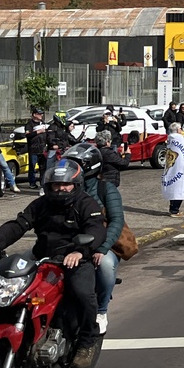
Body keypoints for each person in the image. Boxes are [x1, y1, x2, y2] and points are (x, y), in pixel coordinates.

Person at [0, 159, 106, 368]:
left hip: (75, 258)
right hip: (43, 259)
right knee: (17, 289)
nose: (61, 188)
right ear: (49, 185)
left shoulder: (86, 204)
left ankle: (87, 340)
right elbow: (19, 225)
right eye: (56, 184)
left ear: (76, 185)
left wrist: (80, 252)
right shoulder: (41, 204)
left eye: (66, 184)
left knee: (83, 293)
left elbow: (96, 229)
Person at [61, 143, 125, 337]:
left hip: (101, 243)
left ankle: (101, 310)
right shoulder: (65, 188)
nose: (69, 169)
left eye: (75, 164)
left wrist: (102, 248)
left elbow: (116, 221)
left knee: (105, 265)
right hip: (71, 243)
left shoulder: (106, 189)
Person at [162, 122, 184, 217]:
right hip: (181, 167)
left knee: (174, 188)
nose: (181, 130)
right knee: (180, 188)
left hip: (173, 168)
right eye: (180, 128)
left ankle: (173, 208)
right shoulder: (179, 138)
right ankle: (175, 210)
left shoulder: (170, 138)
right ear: (177, 130)